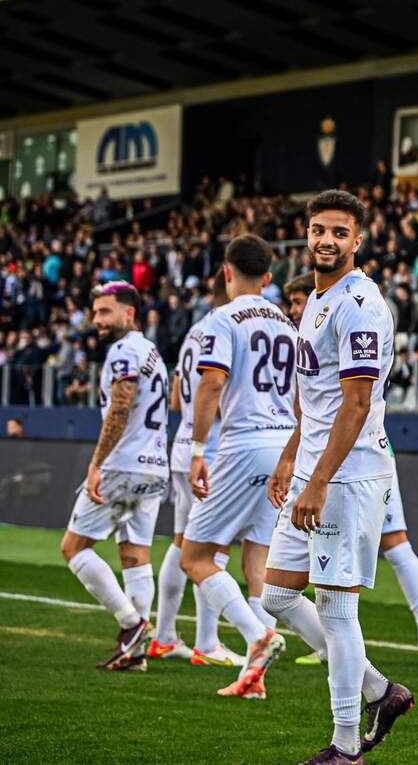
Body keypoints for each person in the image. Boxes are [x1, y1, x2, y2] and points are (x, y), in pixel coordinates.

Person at [258, 191, 414, 764]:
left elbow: (356, 402)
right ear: (307, 233)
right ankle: (379, 690)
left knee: (336, 606)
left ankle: (346, 746)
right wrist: (290, 458)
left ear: (358, 240)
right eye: (318, 230)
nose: (327, 240)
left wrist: (319, 480)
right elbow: (316, 397)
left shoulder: (359, 304)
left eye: (339, 232)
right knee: (278, 593)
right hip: (313, 466)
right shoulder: (317, 297)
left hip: (346, 476)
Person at [291, 282, 418, 675]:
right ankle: (329, 641)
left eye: (297, 301)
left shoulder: (348, 315)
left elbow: (356, 400)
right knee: (322, 554)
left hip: (364, 456)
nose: (294, 309)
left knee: (395, 544)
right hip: (328, 456)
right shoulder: (314, 331)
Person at [180, 234, 296, 699]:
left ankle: (257, 635)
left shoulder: (223, 318)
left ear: (226, 271)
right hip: (284, 445)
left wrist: (197, 450)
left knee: (195, 556)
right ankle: (254, 676)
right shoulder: (287, 323)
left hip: (245, 442)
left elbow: (211, 383)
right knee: (258, 560)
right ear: (268, 278)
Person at [59, 281, 169, 671]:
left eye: (105, 311)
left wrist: (95, 465)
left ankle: (131, 623)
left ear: (129, 313)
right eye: (95, 312)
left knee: (74, 548)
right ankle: (135, 654)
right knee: (135, 555)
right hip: (154, 464)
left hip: (123, 464)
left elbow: (120, 409)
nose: (97, 320)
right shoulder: (152, 352)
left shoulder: (123, 351)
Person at [150, 273, 241, 667]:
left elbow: (176, 399)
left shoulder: (193, 332)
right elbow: (216, 391)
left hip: (183, 445)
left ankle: (164, 636)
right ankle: (207, 642)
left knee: (182, 541)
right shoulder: (228, 328)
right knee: (212, 547)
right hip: (212, 450)